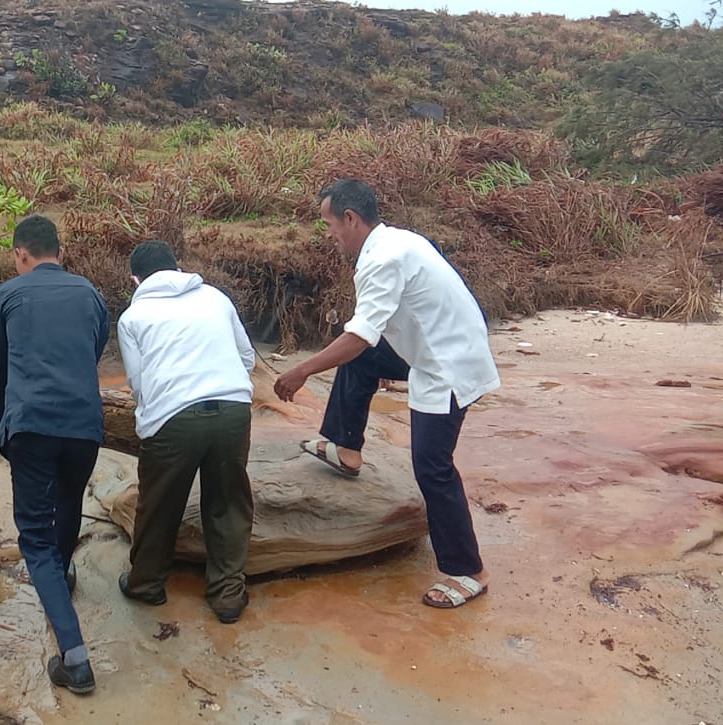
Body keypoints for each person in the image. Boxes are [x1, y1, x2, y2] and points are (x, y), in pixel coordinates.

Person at [273, 179, 500, 609]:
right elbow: (369, 338)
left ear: (350, 218)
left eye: (329, 223)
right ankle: (346, 448)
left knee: (432, 466)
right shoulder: (392, 241)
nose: (328, 234)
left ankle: (468, 570)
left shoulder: (384, 258)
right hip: (436, 346)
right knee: (363, 359)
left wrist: (301, 370)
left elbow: (359, 335)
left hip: (447, 363)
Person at [0, 215, 108, 696]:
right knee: (69, 501)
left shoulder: (8, 295)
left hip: (32, 424)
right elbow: (93, 351)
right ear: (61, 251)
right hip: (83, 426)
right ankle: (62, 571)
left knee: (34, 538)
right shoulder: (91, 294)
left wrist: (5, 413)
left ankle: (75, 658)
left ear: (21, 253)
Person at [116, 240, 255, 624]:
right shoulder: (215, 297)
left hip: (173, 419)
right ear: (178, 268)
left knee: (159, 502)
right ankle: (227, 596)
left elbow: (139, 383)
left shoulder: (133, 316)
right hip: (232, 410)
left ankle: (146, 584)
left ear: (135, 279)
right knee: (228, 501)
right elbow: (246, 358)